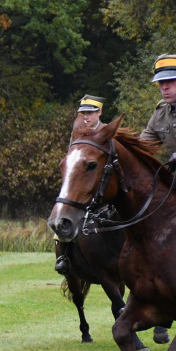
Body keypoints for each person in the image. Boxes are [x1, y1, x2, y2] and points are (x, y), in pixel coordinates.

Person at [55, 94, 107, 276]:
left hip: (102, 183)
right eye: (83, 112)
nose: (86, 116)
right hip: (81, 182)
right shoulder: (77, 131)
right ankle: (65, 255)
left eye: (91, 113)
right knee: (63, 213)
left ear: (99, 112)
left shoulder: (107, 131)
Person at [138, 54, 176, 174]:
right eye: (161, 82)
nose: (164, 87)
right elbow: (141, 145)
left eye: (171, 80)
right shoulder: (160, 112)